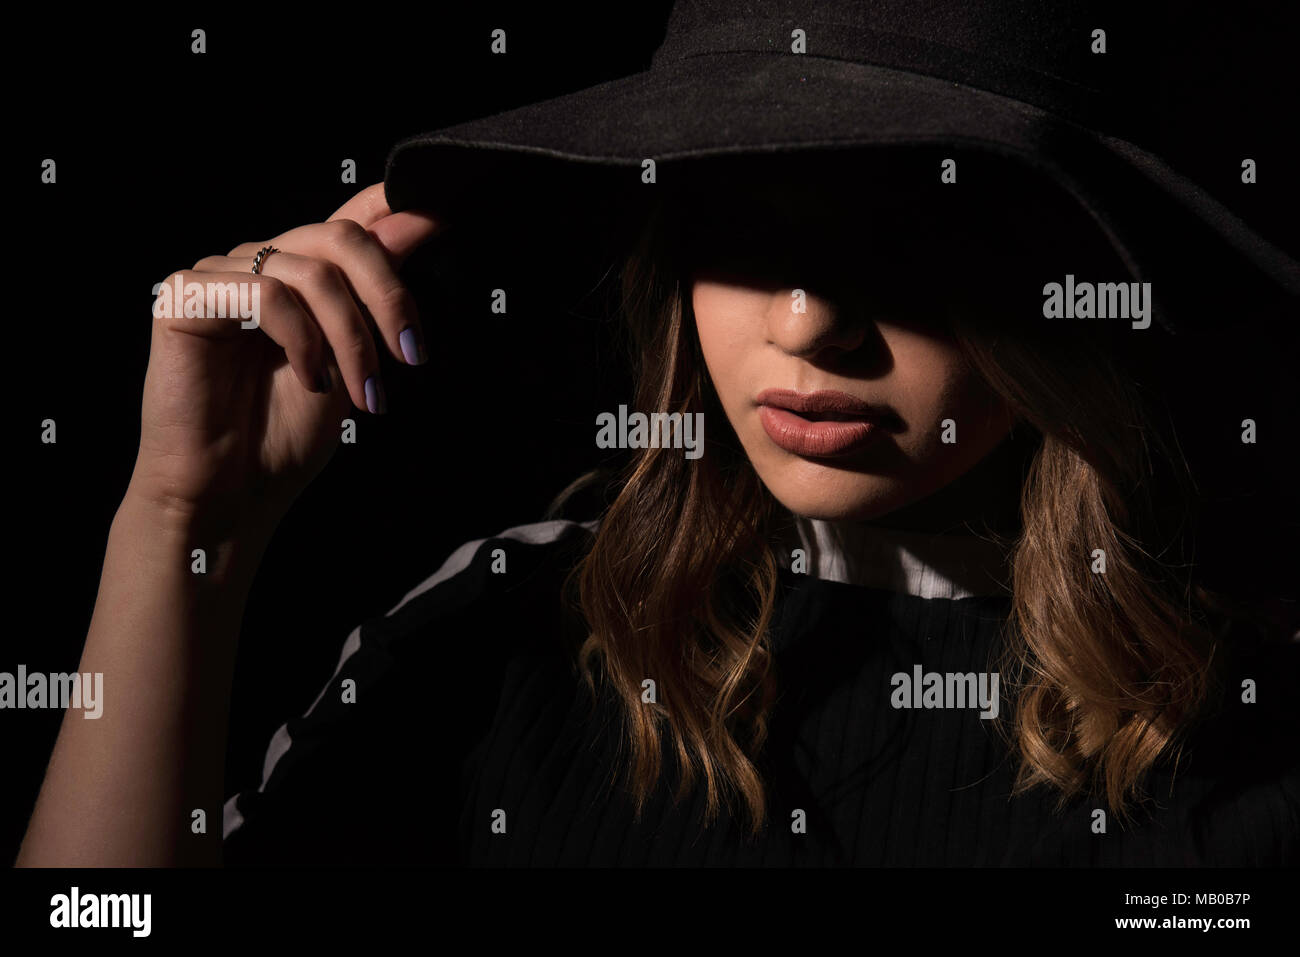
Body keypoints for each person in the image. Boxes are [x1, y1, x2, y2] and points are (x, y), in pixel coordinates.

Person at [17, 0, 1299, 867]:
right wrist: (182, 526)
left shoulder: (1246, 728)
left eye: (911, 238)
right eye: (748, 228)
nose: (809, 324)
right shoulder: (507, 625)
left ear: (1069, 274)